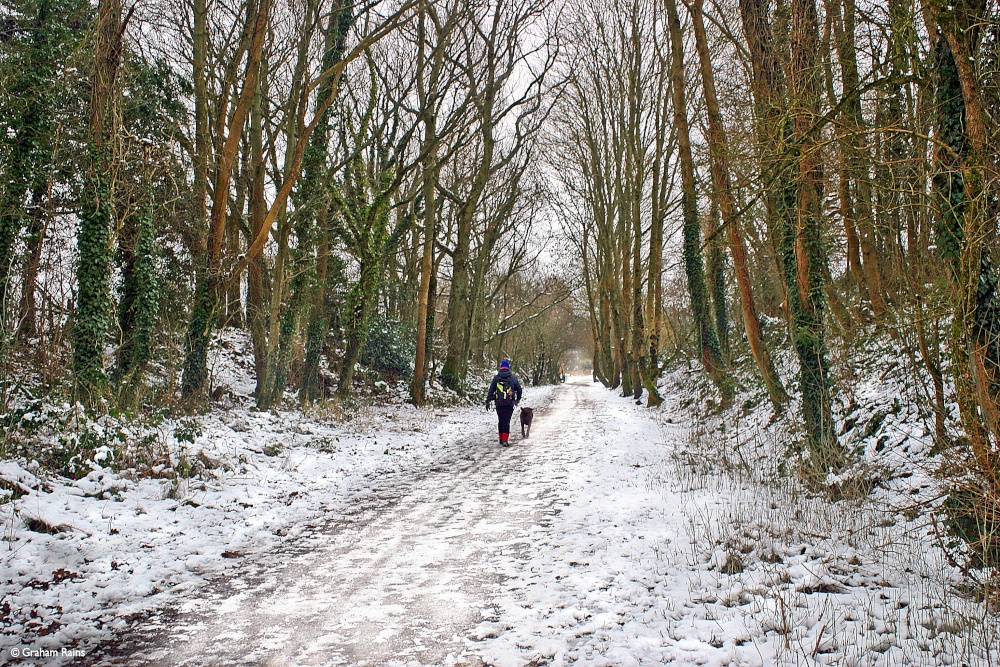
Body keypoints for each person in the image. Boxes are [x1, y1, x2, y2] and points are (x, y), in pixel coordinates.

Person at [485, 359, 523, 446]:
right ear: (508, 367)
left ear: (501, 367)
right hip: (509, 403)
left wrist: (488, 400)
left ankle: (501, 439)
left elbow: (491, 390)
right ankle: (505, 440)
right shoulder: (513, 378)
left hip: (499, 403)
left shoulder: (496, 378)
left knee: (501, 420)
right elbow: (519, 390)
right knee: (507, 421)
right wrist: (517, 399)